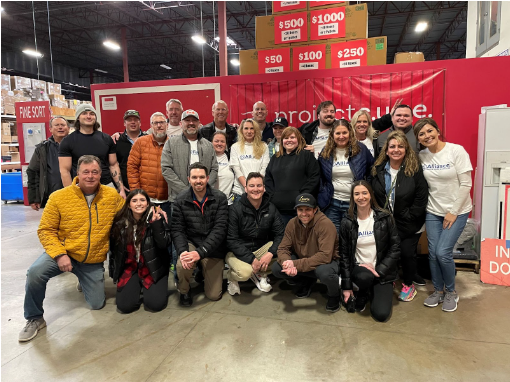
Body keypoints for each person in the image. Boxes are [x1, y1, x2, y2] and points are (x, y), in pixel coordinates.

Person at [19, 155, 125, 342]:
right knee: (35, 273)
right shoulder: (59, 197)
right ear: (78, 173)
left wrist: (154, 213)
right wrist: (60, 254)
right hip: (64, 252)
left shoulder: (111, 197)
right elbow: (46, 230)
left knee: (97, 304)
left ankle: (83, 279)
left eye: (94, 172)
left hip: (91, 260)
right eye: (86, 172)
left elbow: (129, 215)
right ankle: (34, 318)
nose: (90, 176)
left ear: (101, 174)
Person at [414, 118, 473, 313]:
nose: (426, 136)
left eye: (429, 131)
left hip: (457, 210)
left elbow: (466, 184)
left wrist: (453, 212)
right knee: (433, 253)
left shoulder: (456, 151)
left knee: (443, 253)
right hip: (433, 210)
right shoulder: (422, 156)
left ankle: (451, 292)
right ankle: (437, 291)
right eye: (421, 134)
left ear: (438, 130)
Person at [371, 130, 428, 302]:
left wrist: (409, 216)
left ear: (406, 149)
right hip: (386, 222)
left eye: (400, 146)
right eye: (392, 146)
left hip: (409, 223)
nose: (396, 150)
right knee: (386, 251)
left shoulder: (414, 169)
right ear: (386, 150)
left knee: (405, 252)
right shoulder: (377, 169)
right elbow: (373, 194)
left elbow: (421, 197)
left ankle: (409, 284)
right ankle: (391, 278)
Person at [340, 181, 400, 322]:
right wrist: (346, 287)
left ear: (370, 195)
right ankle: (363, 291)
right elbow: (344, 256)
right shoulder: (347, 221)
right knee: (364, 278)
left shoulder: (385, 217)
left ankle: (375, 288)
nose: (361, 197)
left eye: (364, 193)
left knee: (381, 315)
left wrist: (380, 269)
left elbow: (395, 247)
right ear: (352, 197)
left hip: (381, 271)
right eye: (357, 194)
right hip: (360, 270)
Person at [271, 193, 341, 313]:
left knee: (324, 273)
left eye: (308, 209)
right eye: (300, 209)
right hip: (305, 261)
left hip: (326, 263)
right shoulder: (292, 223)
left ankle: (334, 294)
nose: (304, 213)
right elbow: (283, 248)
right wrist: (287, 262)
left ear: (315, 209)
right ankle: (305, 282)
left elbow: (325, 256)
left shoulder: (325, 224)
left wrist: (296, 265)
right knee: (277, 268)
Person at [171, 163, 229, 306]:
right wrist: (183, 251)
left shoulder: (220, 198)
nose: (198, 181)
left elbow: (220, 229)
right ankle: (184, 291)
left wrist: (200, 252)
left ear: (208, 178)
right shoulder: (180, 199)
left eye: (202, 177)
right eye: (195, 177)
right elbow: (177, 230)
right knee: (181, 264)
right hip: (191, 242)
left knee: (214, 295)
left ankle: (203, 272)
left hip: (213, 247)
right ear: (188, 179)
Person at [109, 189, 171, 313]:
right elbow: (114, 252)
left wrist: (156, 224)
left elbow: (164, 245)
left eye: (142, 200)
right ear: (128, 204)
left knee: (155, 305)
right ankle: (135, 285)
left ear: (148, 204)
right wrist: (114, 273)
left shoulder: (157, 218)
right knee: (125, 307)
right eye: (134, 200)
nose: (139, 204)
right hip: (130, 267)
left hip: (152, 268)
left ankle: (148, 287)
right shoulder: (120, 223)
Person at [226, 172, 285, 295]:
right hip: (236, 252)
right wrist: (251, 259)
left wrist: (269, 253)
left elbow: (281, 234)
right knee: (245, 273)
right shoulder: (235, 209)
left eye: (259, 186)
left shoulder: (271, 208)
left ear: (264, 188)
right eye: (252, 186)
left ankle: (260, 273)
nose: (256, 189)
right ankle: (232, 277)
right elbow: (231, 240)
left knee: (285, 255)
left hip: (260, 249)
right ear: (246, 188)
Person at [318, 119, 374, 234]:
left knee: (353, 239)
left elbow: (372, 171)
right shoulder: (326, 152)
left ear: (350, 133)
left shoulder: (361, 150)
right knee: (334, 240)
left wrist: (365, 189)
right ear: (332, 135)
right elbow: (321, 177)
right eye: (338, 133)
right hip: (332, 204)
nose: (341, 136)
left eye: (344, 133)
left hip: (355, 204)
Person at [59, 104, 126, 199]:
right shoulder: (67, 141)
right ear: (78, 118)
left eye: (92, 114)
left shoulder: (106, 139)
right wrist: (71, 194)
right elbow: (64, 171)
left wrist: (121, 189)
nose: (88, 116)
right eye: (84, 113)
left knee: (111, 213)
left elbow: (113, 165)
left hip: (106, 186)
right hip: (81, 189)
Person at [161, 109, 218, 204]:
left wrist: (203, 189)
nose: (191, 123)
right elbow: (166, 169)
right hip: (178, 199)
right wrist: (186, 192)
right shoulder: (170, 143)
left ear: (199, 124)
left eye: (194, 120)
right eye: (187, 120)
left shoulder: (208, 145)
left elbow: (214, 168)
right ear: (180, 124)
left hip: (204, 199)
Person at [265, 127, 320, 226]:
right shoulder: (275, 157)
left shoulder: (306, 156)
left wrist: (301, 196)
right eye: (286, 138)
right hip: (278, 209)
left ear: (298, 139)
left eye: (292, 137)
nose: (289, 140)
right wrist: (272, 196)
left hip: (300, 209)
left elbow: (314, 178)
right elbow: (268, 179)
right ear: (282, 141)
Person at [127, 112, 170, 216]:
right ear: (151, 126)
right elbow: (132, 168)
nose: (159, 125)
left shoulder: (173, 143)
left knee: (167, 229)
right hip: (146, 200)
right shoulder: (141, 142)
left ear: (167, 125)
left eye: (162, 122)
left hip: (168, 200)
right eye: (155, 123)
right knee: (145, 230)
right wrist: (137, 194)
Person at [27, 116, 70, 210]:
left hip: (73, 196)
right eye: (56, 125)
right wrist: (34, 198)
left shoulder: (76, 146)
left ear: (68, 128)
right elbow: (32, 172)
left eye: (63, 125)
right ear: (50, 129)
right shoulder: (42, 149)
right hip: (51, 197)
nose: (60, 127)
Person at [230, 118, 270, 203]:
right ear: (241, 130)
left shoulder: (264, 146)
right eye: (246, 128)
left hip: (258, 192)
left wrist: (255, 187)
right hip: (240, 193)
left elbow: (264, 168)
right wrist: (247, 186)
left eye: (252, 128)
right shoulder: (235, 147)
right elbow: (237, 169)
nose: (249, 131)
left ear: (256, 130)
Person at [115, 110, 146, 189]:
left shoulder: (148, 139)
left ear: (140, 123)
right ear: (124, 123)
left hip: (146, 187)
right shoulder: (117, 141)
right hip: (126, 188)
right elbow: (114, 165)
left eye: (136, 120)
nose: (133, 122)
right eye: (129, 120)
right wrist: (120, 186)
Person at [212, 131, 235, 201]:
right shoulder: (207, 158)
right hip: (211, 200)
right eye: (216, 141)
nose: (219, 144)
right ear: (211, 142)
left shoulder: (231, 157)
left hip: (228, 201)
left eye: (222, 141)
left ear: (226, 144)